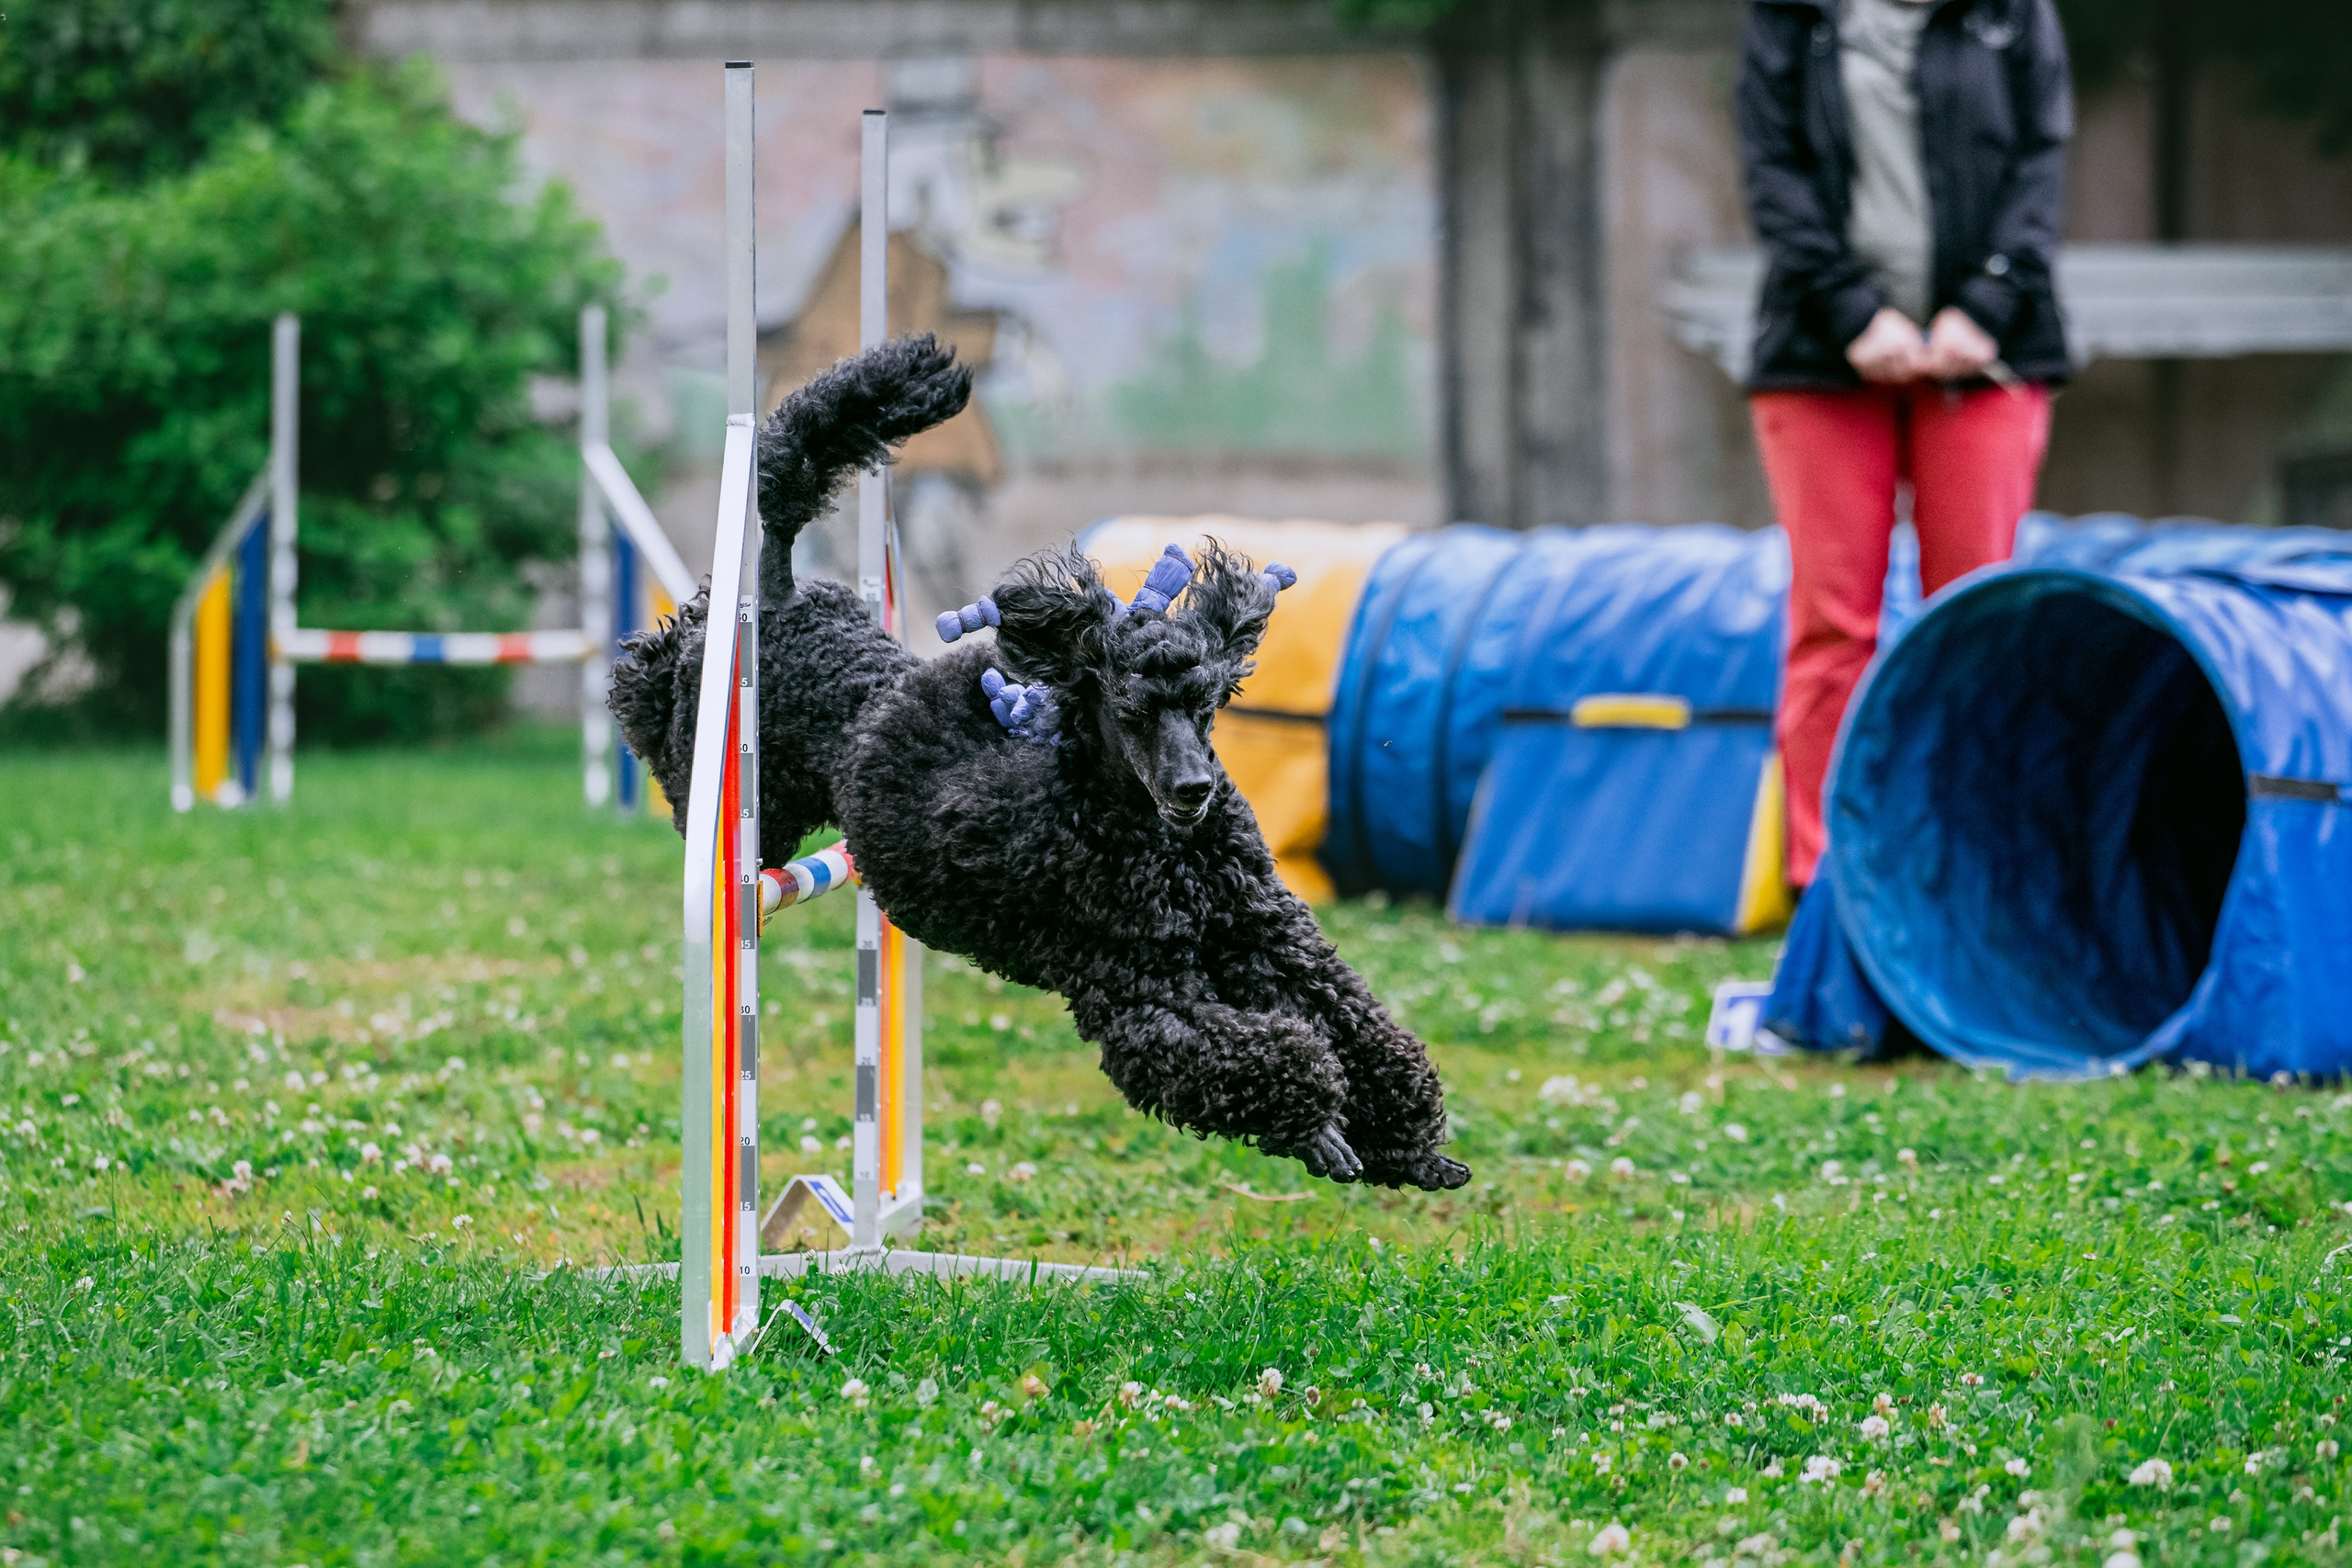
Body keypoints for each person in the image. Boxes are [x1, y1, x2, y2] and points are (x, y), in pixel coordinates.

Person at [1736, 0, 2073, 890]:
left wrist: (1987, 305)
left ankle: (1966, 883)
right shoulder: (1789, 17)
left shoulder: (2011, 14)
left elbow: (2041, 167)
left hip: (1986, 354)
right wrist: (1852, 311)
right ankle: (1826, 887)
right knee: (1832, 626)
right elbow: (1774, 174)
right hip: (1822, 353)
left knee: (1973, 623)